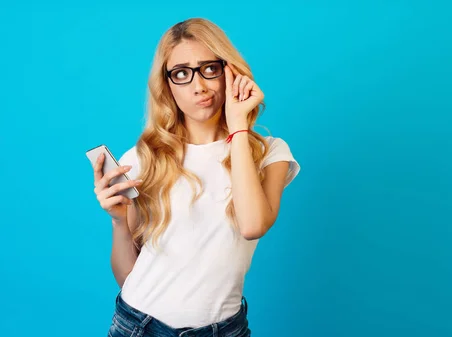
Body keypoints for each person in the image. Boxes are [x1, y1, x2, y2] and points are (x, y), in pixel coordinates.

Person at [91, 18, 300, 337]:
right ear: (168, 85)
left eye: (209, 69)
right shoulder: (144, 159)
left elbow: (253, 225)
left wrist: (239, 125)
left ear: (229, 71)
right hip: (138, 325)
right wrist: (119, 222)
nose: (198, 86)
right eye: (182, 73)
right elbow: (128, 277)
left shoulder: (269, 152)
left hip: (225, 329)